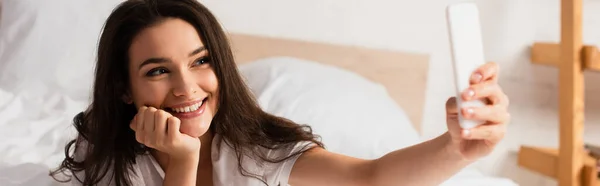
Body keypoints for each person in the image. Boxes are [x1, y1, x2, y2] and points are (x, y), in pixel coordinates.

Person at [50, 0, 510, 185]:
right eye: (157, 71)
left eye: (201, 61)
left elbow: (370, 179)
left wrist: (459, 150)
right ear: (123, 89)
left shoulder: (257, 154)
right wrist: (185, 160)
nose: (186, 87)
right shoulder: (107, 152)